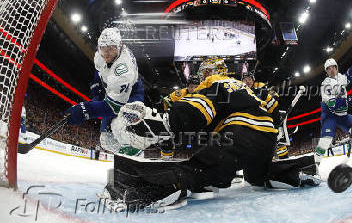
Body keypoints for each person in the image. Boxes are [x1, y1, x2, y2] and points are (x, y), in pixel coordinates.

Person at [103, 57, 320, 209]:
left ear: (215, 72)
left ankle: (136, 185)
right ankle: (299, 170)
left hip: (241, 133)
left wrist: (169, 122)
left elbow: (202, 106)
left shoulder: (216, 82)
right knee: (254, 175)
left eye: (206, 71)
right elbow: (271, 109)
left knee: (197, 168)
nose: (203, 75)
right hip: (265, 138)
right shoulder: (245, 88)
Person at [64, 27, 144, 155]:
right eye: (103, 48)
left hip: (131, 94)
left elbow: (115, 106)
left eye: (111, 48)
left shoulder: (124, 69)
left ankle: (135, 149)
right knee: (106, 140)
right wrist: (97, 90)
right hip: (113, 89)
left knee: (119, 127)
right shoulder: (100, 55)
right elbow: (100, 71)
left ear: (119, 46)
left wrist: (86, 110)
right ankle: (124, 149)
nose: (106, 53)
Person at [314, 58, 352, 165]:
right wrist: (348, 100)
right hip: (330, 115)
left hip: (343, 115)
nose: (332, 70)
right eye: (329, 68)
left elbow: (348, 77)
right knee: (326, 140)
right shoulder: (326, 84)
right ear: (326, 71)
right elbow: (332, 103)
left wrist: (351, 71)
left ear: (337, 68)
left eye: (334, 67)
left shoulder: (340, 77)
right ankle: (315, 164)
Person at [241, 72, 287, 159]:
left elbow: (273, 104)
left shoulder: (261, 91)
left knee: (277, 138)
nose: (247, 82)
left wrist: (276, 122)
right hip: (248, 124)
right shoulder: (239, 94)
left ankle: (283, 158)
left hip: (263, 122)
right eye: (245, 80)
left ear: (253, 81)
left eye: (249, 80)